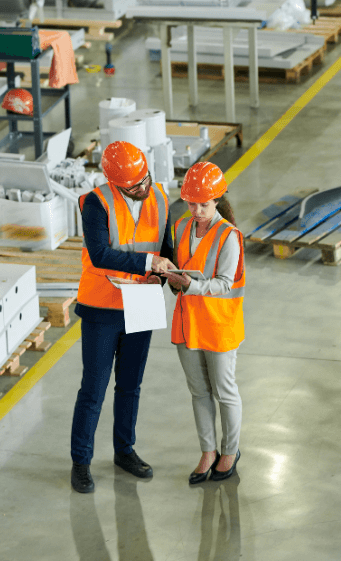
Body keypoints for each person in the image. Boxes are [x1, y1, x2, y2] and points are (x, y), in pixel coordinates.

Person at [70, 141, 176, 494]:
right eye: (135, 185)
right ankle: (81, 462)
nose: (143, 187)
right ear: (116, 183)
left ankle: (125, 450)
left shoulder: (160, 198)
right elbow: (100, 254)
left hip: (142, 300)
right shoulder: (95, 204)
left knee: (130, 385)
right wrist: (150, 264)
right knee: (94, 389)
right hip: (103, 306)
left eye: (145, 178)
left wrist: (174, 277)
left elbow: (167, 248)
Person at [162, 162, 246, 484]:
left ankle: (230, 451)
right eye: (191, 203)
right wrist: (171, 278)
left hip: (218, 325)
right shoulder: (182, 227)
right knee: (198, 391)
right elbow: (183, 266)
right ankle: (208, 451)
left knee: (224, 391)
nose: (196, 210)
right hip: (188, 322)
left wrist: (189, 285)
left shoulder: (229, 236)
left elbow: (226, 283)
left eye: (204, 204)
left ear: (217, 200)